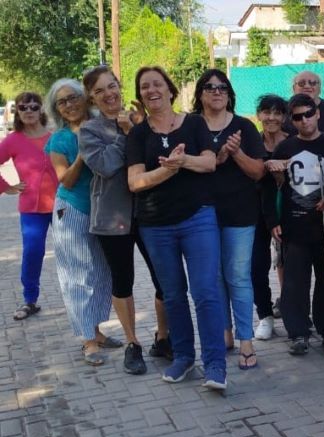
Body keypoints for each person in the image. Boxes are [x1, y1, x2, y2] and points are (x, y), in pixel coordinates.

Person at [126, 66, 227, 390]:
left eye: (157, 84)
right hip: (155, 226)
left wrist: (183, 161)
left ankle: (215, 366)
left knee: (206, 292)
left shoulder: (194, 123)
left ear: (170, 90)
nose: (151, 90)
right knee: (172, 295)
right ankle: (183, 357)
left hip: (197, 219)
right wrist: (168, 170)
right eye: (144, 87)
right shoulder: (138, 135)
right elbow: (135, 182)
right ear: (141, 95)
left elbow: (210, 163)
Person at [79, 65, 171, 375]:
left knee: (164, 278)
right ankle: (133, 344)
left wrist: (136, 128)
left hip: (149, 214)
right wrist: (125, 136)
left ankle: (163, 336)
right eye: (100, 90)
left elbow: (158, 158)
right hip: (112, 217)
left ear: (120, 86)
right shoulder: (90, 131)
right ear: (92, 98)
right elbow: (104, 165)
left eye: (112, 85)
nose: (109, 94)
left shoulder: (142, 121)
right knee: (123, 281)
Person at [194, 69, 266, 370]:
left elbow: (258, 172)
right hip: (200, 215)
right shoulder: (190, 125)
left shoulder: (244, 127)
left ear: (229, 93)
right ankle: (224, 334)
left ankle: (246, 341)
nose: (216, 91)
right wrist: (215, 156)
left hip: (239, 214)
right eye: (210, 87)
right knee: (213, 278)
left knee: (237, 277)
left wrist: (234, 153)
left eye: (222, 87)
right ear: (200, 94)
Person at [45, 78, 117, 365]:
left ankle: (97, 330)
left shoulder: (102, 126)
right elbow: (67, 179)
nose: (69, 105)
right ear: (57, 110)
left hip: (104, 209)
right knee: (78, 275)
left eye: (73, 97)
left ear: (85, 98)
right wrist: (84, 154)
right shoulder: (59, 140)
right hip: (72, 208)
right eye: (62, 102)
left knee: (101, 271)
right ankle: (87, 340)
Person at [266, 93, 324, 357]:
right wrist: (273, 221)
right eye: (297, 117)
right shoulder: (285, 148)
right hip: (295, 227)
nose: (304, 120)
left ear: (318, 114)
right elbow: (273, 188)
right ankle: (298, 332)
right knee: (295, 284)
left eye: (308, 114)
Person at [0, 92, 57, 321]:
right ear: (18, 112)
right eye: (24, 108)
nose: (29, 111)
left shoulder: (55, 136)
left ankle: (79, 299)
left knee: (71, 253)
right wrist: (6, 186)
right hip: (32, 208)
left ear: (41, 109)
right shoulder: (13, 140)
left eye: (34, 106)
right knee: (33, 252)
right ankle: (30, 300)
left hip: (63, 205)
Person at [253, 94, 288, 340]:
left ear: (284, 116)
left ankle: (294, 312)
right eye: (267, 112)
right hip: (256, 214)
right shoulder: (251, 142)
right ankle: (265, 316)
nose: (272, 117)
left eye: (277, 113)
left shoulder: (293, 142)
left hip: (287, 213)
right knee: (257, 266)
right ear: (259, 115)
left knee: (293, 266)